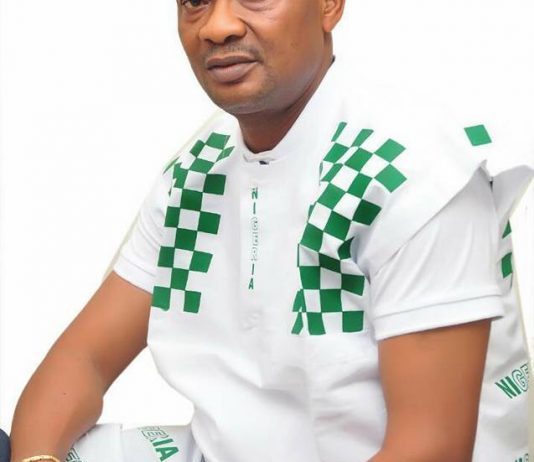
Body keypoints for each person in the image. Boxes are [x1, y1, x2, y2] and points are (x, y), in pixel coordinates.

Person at [8, 1, 533, 461]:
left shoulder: (414, 173)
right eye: (195, 1)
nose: (216, 26)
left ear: (329, 5)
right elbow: (82, 360)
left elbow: (430, 450)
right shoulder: (200, 169)